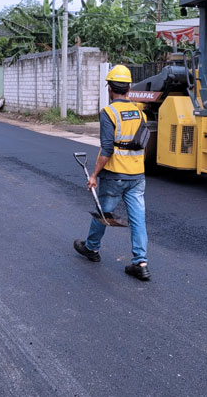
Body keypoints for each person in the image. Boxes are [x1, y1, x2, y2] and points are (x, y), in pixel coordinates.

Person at [73, 65, 150, 281]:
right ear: (128, 87)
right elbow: (143, 141)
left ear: (109, 88)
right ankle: (141, 263)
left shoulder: (108, 112)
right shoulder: (139, 111)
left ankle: (92, 248)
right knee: (138, 219)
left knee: (103, 212)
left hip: (115, 174)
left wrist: (94, 175)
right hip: (137, 175)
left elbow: (107, 149)